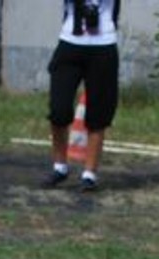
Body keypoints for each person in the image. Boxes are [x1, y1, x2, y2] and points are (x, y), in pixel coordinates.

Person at [45, 0, 121, 192]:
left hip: (103, 42)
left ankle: (89, 174)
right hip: (70, 41)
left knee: (98, 113)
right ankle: (59, 166)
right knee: (58, 109)